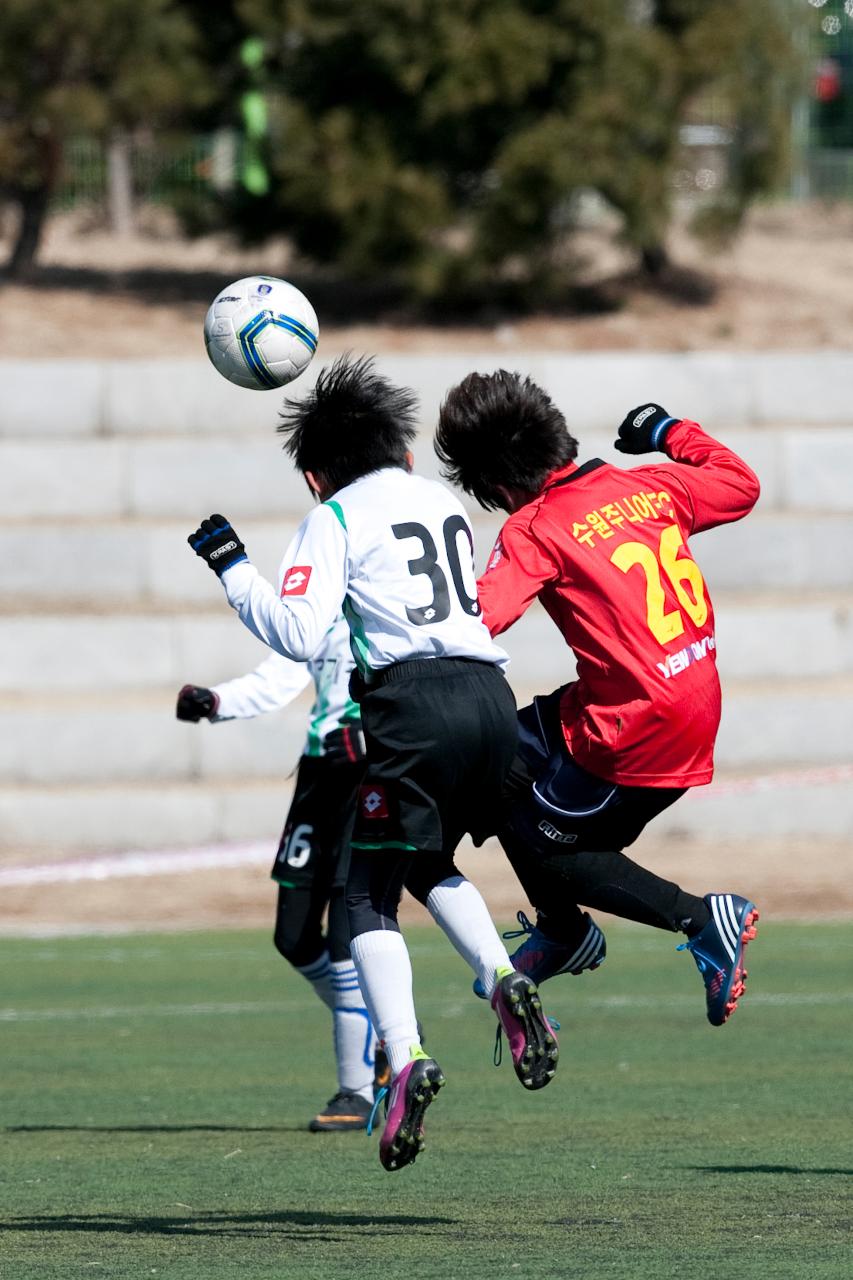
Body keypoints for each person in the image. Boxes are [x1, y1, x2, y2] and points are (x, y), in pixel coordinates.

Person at [187, 355, 558, 1173]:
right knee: (428, 863)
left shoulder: (334, 516)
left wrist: (231, 567)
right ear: (405, 452)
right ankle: (501, 979)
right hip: (492, 700)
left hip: (412, 708)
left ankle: (405, 1059)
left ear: (316, 477)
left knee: (362, 895)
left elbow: (294, 630)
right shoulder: (441, 501)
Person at [434, 374, 761, 1028]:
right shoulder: (649, 485)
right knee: (503, 750)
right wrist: (668, 432)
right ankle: (562, 932)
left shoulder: (535, 526)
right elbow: (739, 483)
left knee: (547, 845)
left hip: (634, 726)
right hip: (684, 696)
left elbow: (478, 623)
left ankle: (698, 918)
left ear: (496, 488)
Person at [175, 618, 381, 1132]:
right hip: (319, 774)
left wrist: (374, 737)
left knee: (343, 942)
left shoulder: (393, 607)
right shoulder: (322, 610)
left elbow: (427, 691)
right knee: (291, 936)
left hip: (372, 778)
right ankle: (391, 1031)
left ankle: (355, 1095)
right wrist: (216, 702)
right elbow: (279, 677)